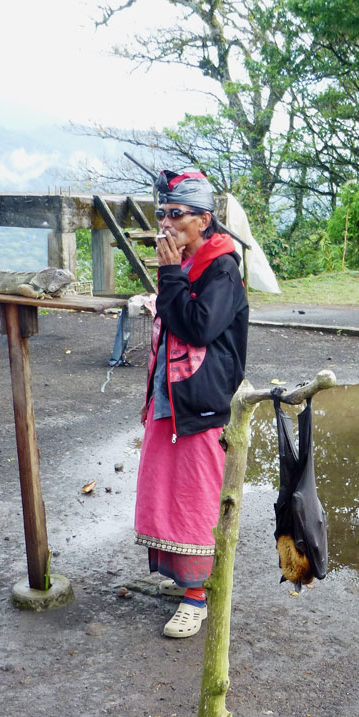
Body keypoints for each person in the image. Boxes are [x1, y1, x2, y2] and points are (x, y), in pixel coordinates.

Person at [134, 170, 249, 638]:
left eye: (175, 214)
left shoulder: (221, 268)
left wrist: (167, 276)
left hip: (201, 403)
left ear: (204, 220)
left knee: (196, 498)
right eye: (161, 213)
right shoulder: (185, 262)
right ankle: (183, 580)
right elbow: (174, 311)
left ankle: (198, 597)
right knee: (166, 489)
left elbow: (197, 327)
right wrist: (170, 279)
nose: (165, 222)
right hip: (173, 399)